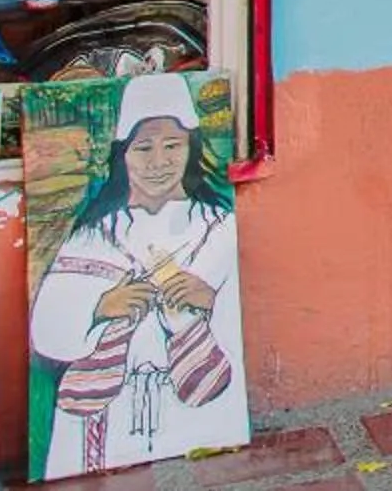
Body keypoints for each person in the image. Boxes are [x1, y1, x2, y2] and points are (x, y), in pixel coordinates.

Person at [29, 72, 247, 477]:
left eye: (172, 146)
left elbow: (234, 334)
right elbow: (46, 330)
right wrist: (99, 308)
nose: (158, 162)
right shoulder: (92, 236)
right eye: (143, 148)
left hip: (193, 412)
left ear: (191, 148)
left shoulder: (218, 229)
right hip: (103, 420)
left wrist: (209, 299)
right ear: (122, 155)